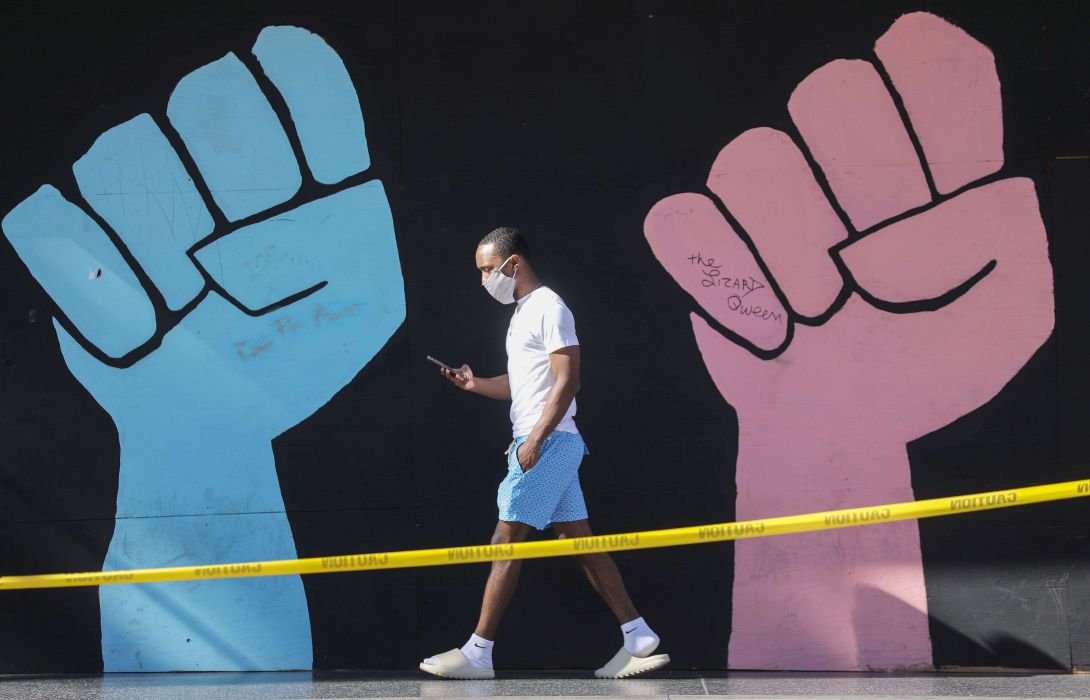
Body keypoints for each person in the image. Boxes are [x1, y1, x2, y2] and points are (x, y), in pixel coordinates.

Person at [419, 227, 670, 680]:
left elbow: (568, 380)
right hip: (547, 441)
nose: (483, 280)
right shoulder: (522, 314)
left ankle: (478, 653)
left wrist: (534, 439)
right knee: (580, 542)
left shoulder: (550, 307)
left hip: (548, 444)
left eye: (487, 270)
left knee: (505, 542)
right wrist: (474, 384)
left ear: (513, 263)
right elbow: (522, 387)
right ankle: (638, 635)